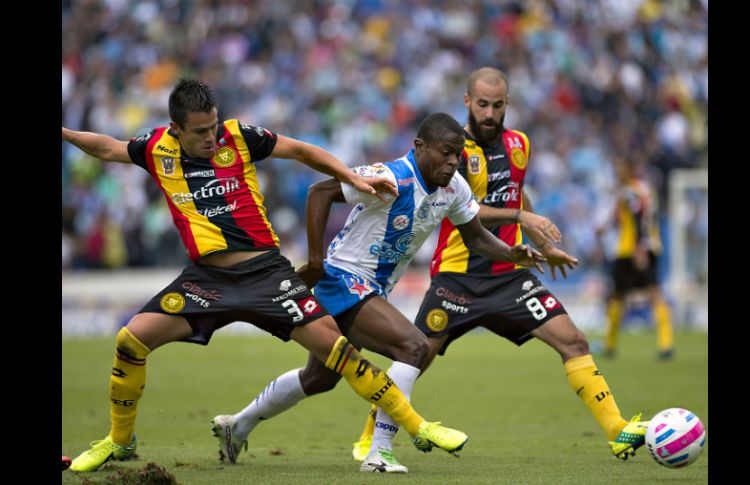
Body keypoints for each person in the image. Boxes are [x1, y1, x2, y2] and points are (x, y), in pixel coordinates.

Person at [62, 78, 469, 472]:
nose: (211, 138)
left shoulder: (238, 136)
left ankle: (417, 427)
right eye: (200, 132)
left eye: (214, 127)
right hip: (208, 279)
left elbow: (301, 151)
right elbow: (109, 147)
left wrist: (352, 176)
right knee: (130, 341)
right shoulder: (154, 148)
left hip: (266, 273)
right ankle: (119, 440)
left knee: (337, 353)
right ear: (176, 130)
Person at [210, 112, 550, 473]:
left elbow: (476, 237)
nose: (453, 162)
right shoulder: (392, 176)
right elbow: (320, 191)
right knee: (413, 346)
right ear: (419, 147)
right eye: (446, 152)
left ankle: (238, 426)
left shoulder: (454, 189)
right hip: (342, 278)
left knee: (320, 378)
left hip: (371, 288)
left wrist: (511, 253)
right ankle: (379, 452)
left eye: (458, 155)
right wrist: (313, 260)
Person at [346, 67, 650, 469]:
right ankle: (370, 438)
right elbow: (467, 212)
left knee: (573, 341)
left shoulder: (520, 144)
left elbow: (514, 199)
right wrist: (522, 219)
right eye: (483, 104)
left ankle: (616, 430)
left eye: (499, 105)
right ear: (468, 102)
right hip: (457, 277)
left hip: (508, 276)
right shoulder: (452, 152)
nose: (490, 114)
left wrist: (542, 243)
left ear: (508, 104)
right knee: (413, 359)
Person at [596, 156, 674, 360]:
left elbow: (639, 220)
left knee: (624, 295)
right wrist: (605, 227)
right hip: (647, 246)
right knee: (642, 294)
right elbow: (628, 216)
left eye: (619, 168)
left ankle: (610, 344)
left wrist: (639, 248)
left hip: (632, 249)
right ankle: (665, 344)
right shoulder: (640, 190)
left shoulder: (631, 191)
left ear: (629, 170)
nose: (616, 173)